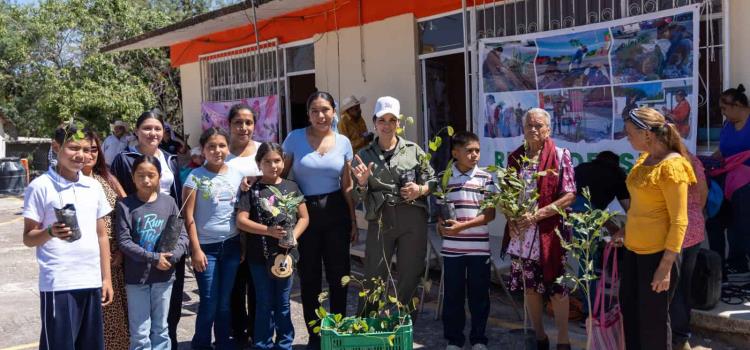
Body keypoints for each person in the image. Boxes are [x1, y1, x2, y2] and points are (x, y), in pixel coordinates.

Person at [22, 122, 113, 350]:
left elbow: (102, 235)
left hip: (91, 281)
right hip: (59, 283)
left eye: (86, 149)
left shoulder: (93, 187)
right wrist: (50, 232)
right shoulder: (40, 186)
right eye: (73, 148)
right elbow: (28, 237)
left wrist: (106, 278)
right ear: (56, 147)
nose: (81, 155)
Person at [613, 107, 695, 350]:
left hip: (658, 256)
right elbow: (639, 207)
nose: (627, 137)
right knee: (632, 317)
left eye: (629, 133)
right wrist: (625, 231)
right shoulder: (643, 160)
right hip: (633, 251)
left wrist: (665, 267)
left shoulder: (672, 166)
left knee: (654, 325)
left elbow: (680, 220)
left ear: (647, 134)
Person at [282, 91, 356, 349]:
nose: (321, 115)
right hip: (305, 212)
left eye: (325, 109)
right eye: (315, 111)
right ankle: (315, 336)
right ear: (308, 114)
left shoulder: (344, 142)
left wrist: (353, 220)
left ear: (334, 112)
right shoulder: (294, 139)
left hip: (336, 211)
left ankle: (337, 331)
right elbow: (280, 176)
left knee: (339, 275)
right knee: (310, 276)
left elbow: (347, 184)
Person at [351, 96, 436, 317]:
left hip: (412, 218)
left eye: (392, 120)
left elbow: (433, 181)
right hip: (381, 219)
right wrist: (361, 184)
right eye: (382, 120)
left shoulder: (414, 150)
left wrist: (421, 189)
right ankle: (368, 325)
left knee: (410, 274)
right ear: (374, 123)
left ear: (398, 122)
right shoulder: (363, 156)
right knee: (374, 274)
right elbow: (356, 196)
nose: (387, 125)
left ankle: (404, 323)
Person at [500, 108, 577, 350]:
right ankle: (540, 336)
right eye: (529, 126)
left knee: (557, 287)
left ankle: (563, 340)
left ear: (549, 129)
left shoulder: (560, 155)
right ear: (522, 130)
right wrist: (511, 218)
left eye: (539, 125)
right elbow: (506, 196)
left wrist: (537, 215)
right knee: (530, 287)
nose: (533, 129)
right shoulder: (515, 158)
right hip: (522, 235)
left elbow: (569, 195)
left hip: (550, 233)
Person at [110, 111, 185, 348]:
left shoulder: (169, 158)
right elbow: (123, 197)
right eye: (147, 128)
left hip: (167, 238)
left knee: (166, 312)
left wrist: (174, 250)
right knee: (140, 323)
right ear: (136, 131)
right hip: (139, 243)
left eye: (157, 128)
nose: (153, 133)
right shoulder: (125, 159)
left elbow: (176, 201)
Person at [236, 142, 310, 350]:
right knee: (264, 302)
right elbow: (241, 221)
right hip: (259, 256)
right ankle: (262, 344)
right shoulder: (252, 189)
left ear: (283, 161)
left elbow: (304, 217)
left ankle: (285, 343)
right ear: (258, 163)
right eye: (267, 161)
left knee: (283, 303)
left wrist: (293, 236)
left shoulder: (292, 187)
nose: (273, 165)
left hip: (286, 256)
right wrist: (267, 231)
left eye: (277, 160)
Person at [183, 128, 244, 350]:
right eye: (211, 146)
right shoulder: (195, 177)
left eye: (221, 146)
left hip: (231, 245)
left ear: (228, 148)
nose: (217, 150)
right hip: (206, 248)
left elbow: (241, 209)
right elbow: (187, 216)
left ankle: (223, 343)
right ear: (203, 150)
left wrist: (243, 244)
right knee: (209, 301)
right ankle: (200, 344)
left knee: (225, 303)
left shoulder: (236, 174)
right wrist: (196, 249)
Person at [434, 132, 495, 350]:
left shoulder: (486, 178)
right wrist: (440, 224)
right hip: (452, 249)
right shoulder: (444, 178)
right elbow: (441, 210)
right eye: (469, 150)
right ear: (455, 153)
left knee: (479, 296)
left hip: (479, 248)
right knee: (453, 296)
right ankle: (454, 340)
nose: (474, 155)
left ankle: (479, 339)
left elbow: (490, 214)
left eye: (477, 150)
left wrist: (463, 227)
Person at [82, 129, 129, 350]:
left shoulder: (108, 179)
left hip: (114, 259)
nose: (89, 155)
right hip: (86, 260)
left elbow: (128, 215)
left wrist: (121, 250)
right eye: (84, 149)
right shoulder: (70, 182)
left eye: (93, 150)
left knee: (115, 316)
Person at [223, 103, 263, 346]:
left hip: (259, 231)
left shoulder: (262, 150)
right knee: (235, 286)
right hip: (230, 230)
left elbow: (276, 174)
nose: (243, 127)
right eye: (238, 122)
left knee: (257, 285)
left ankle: (258, 331)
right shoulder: (220, 151)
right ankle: (239, 333)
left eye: (248, 122)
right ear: (230, 125)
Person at [707, 85, 750, 275]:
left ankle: (738, 263)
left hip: (746, 183)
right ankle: (718, 266)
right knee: (714, 220)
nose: (723, 114)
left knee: (739, 223)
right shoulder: (727, 126)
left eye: (725, 109)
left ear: (738, 105)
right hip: (726, 180)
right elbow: (722, 151)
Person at [670, 152, 708, 350]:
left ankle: (677, 337)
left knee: (673, 288)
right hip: (693, 229)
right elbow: (703, 193)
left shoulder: (665, 161)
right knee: (684, 285)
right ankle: (682, 334)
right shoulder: (693, 159)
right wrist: (693, 211)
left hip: (675, 233)